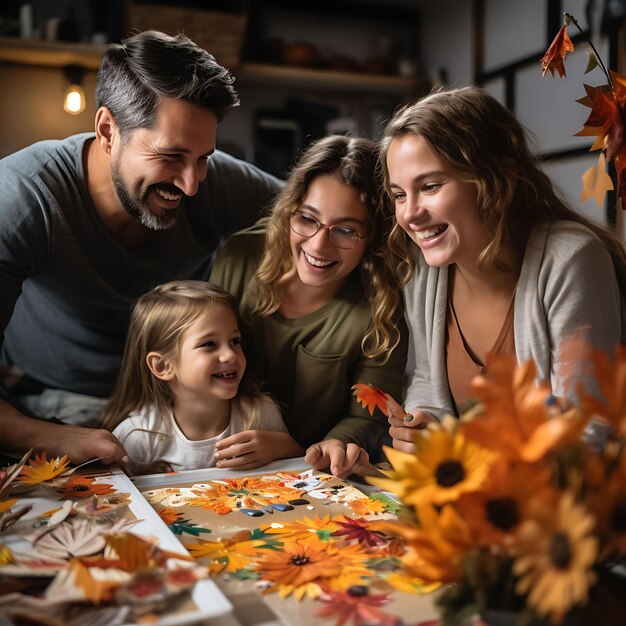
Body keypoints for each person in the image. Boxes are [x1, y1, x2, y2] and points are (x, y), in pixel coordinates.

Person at [0, 30, 281, 465]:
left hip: (188, 405)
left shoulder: (216, 182)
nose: (191, 184)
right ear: (108, 129)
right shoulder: (22, 196)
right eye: (171, 156)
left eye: (204, 158)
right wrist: (52, 438)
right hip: (55, 403)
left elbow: (317, 217)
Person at [380, 85, 626, 453]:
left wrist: (456, 446)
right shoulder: (425, 272)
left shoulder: (571, 259)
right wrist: (422, 423)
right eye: (399, 194)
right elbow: (428, 381)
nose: (410, 214)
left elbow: (584, 432)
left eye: (429, 186)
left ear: (499, 181)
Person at [210, 134, 408, 477]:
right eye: (307, 219)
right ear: (290, 209)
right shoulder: (240, 257)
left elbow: (366, 416)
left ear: (373, 238)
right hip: (219, 458)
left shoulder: (381, 307)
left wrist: (328, 446)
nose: (319, 245)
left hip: (314, 473)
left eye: (345, 230)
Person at [102, 281, 294, 474]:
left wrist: (284, 447)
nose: (230, 355)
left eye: (234, 341)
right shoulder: (138, 436)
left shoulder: (260, 414)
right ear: (163, 366)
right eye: (209, 344)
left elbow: (302, 472)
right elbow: (110, 494)